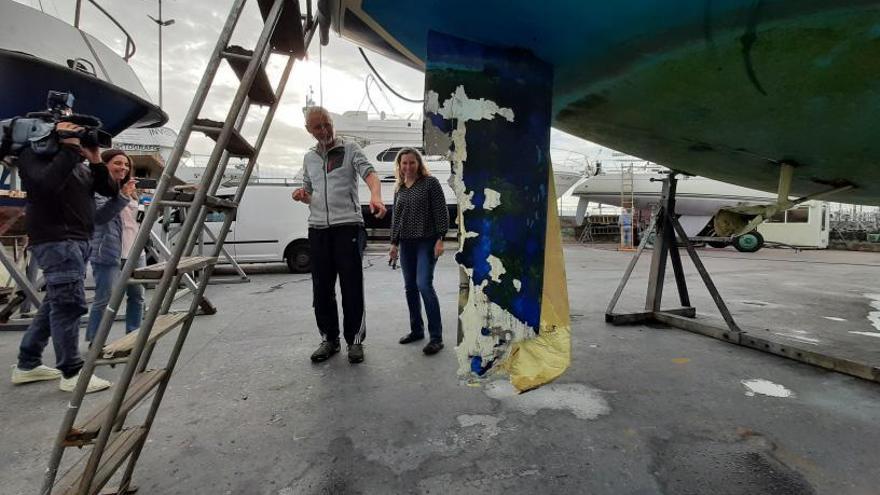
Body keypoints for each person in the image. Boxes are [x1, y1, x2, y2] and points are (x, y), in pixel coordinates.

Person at [11, 122, 118, 393]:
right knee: (68, 305)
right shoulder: (32, 156)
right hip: (57, 241)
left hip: (77, 241)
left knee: (55, 303)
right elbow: (45, 187)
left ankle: (28, 363)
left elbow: (109, 191)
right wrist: (69, 149)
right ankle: (71, 373)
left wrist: (94, 157)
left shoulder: (78, 164)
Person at [292, 106, 386, 364]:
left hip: (348, 227)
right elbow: (310, 191)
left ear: (332, 123)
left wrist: (375, 196)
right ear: (308, 130)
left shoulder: (351, 149)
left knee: (351, 286)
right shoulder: (309, 158)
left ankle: (355, 340)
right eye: (317, 127)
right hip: (318, 229)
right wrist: (303, 196)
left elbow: (371, 174)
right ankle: (329, 339)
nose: (324, 131)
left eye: (327, 124)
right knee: (321, 289)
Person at [388, 148, 449, 355]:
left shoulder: (430, 183)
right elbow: (396, 218)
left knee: (424, 285)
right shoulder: (399, 188)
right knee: (410, 288)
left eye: (411, 163)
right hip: (406, 244)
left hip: (427, 241)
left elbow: (441, 211)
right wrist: (394, 244)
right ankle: (416, 330)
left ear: (419, 164)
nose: (408, 167)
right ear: (399, 165)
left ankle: (436, 338)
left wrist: (440, 239)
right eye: (404, 163)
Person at [85, 150, 144, 345]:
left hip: (135, 251)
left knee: (137, 296)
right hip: (108, 251)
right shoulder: (97, 189)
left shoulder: (130, 190)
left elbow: (134, 222)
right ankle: (96, 341)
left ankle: (133, 336)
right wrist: (121, 196)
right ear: (104, 165)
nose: (123, 168)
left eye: (126, 165)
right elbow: (100, 217)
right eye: (117, 163)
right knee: (105, 299)